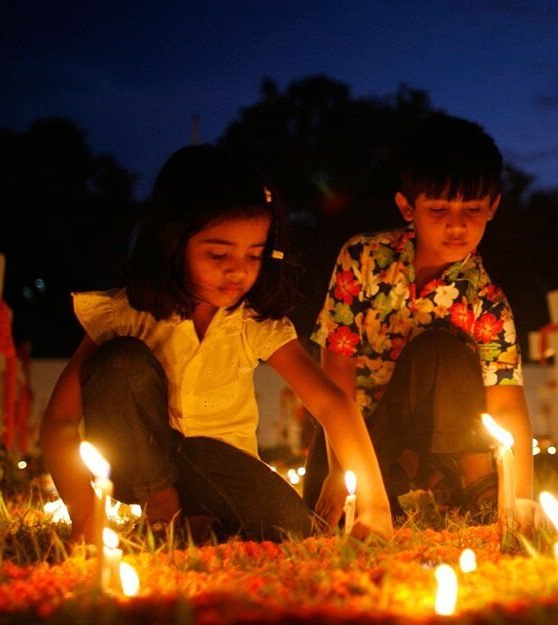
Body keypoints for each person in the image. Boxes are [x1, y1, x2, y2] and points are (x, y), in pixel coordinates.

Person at [39, 145, 392, 544]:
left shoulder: (253, 324)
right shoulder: (128, 314)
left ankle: (202, 525)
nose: (238, 270)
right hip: (138, 462)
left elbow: (331, 402)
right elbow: (60, 422)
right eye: (218, 253)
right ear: (173, 242)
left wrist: (374, 507)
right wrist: (86, 519)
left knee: (291, 532)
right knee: (120, 361)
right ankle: (162, 510)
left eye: (254, 255)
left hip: (225, 469)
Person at [303, 114, 534, 526]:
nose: (457, 224)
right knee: (338, 526)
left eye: (473, 208)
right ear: (407, 206)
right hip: (353, 439)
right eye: (439, 208)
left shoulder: (486, 302)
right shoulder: (363, 261)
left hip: (432, 447)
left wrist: (521, 503)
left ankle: (475, 486)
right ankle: (392, 492)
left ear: (493, 206)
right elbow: (336, 371)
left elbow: (507, 404)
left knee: (444, 352)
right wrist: (340, 471)